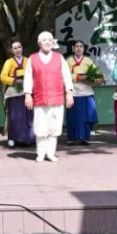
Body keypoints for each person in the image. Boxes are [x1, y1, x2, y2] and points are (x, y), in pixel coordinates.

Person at [24, 31, 74, 162]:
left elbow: (66, 76)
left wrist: (69, 92)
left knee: (55, 127)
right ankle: (40, 153)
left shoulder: (59, 57)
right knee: (40, 127)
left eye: (50, 40)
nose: (47, 42)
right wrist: (28, 94)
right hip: (40, 99)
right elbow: (28, 77)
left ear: (53, 43)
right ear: (39, 43)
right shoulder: (33, 58)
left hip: (57, 98)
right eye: (44, 40)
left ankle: (51, 153)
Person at [0, 40, 34, 148]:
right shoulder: (8, 62)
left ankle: (29, 138)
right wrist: (14, 81)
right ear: (11, 50)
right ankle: (13, 138)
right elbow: (3, 76)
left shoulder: (28, 60)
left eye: (19, 47)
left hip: (27, 91)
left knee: (29, 116)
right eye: (15, 48)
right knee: (14, 116)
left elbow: (34, 73)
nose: (18, 49)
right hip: (14, 92)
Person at [66, 40, 99, 145]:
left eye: (81, 46)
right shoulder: (69, 61)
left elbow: (96, 74)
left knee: (86, 117)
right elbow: (64, 75)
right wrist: (78, 77)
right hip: (73, 93)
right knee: (72, 117)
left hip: (87, 93)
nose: (79, 48)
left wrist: (92, 78)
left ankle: (85, 138)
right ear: (73, 49)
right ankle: (72, 138)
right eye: (76, 46)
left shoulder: (88, 61)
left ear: (84, 49)